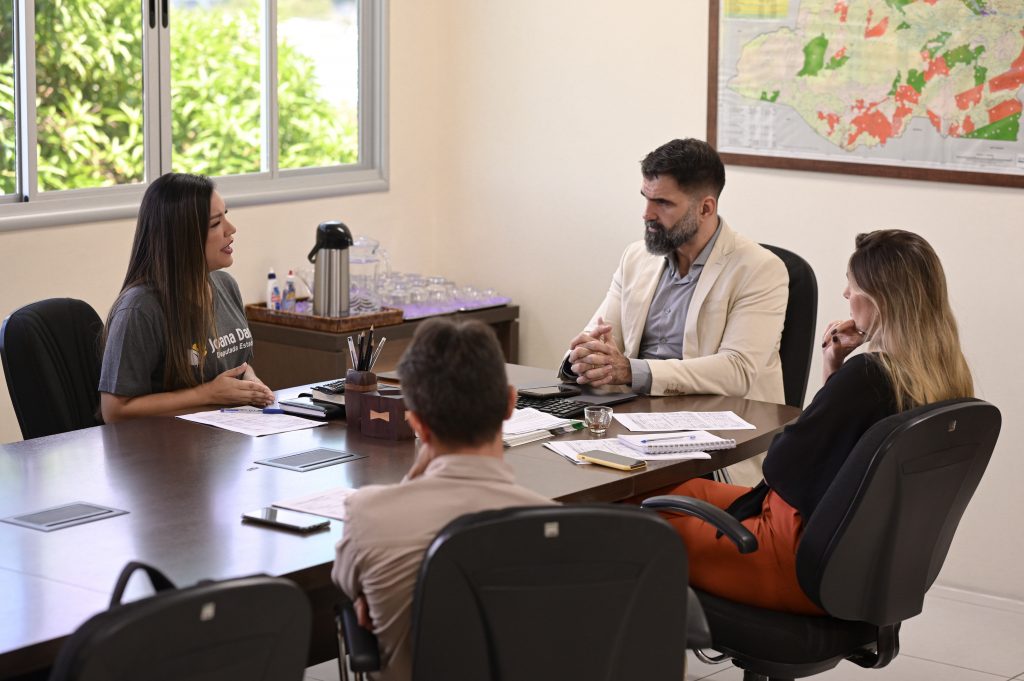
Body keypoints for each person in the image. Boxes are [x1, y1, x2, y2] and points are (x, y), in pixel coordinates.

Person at [660, 229, 974, 614]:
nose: (846, 295)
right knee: (678, 489)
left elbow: (782, 463)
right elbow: (838, 456)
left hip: (790, 556)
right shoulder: (946, 377)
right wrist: (834, 369)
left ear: (879, 298)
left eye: (852, 285)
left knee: (631, 523)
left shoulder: (869, 377)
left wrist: (841, 376)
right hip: (848, 559)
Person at [333, 319, 554, 681]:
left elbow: (349, 582)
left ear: (416, 423)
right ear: (510, 403)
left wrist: (412, 480)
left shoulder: (369, 518)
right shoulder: (555, 527)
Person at [562, 138, 788, 405]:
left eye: (663, 203)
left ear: (705, 208)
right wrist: (583, 360)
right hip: (635, 414)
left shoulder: (760, 269)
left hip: (722, 419)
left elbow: (737, 370)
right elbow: (597, 336)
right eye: (646, 199)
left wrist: (631, 371)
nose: (647, 214)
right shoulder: (635, 257)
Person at [99, 173, 275, 422]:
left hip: (226, 440)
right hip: (165, 451)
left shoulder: (226, 285)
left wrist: (250, 383)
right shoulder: (139, 309)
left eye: (226, 215)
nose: (231, 229)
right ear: (182, 237)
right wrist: (207, 394)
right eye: (215, 224)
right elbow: (115, 411)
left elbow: (234, 367)